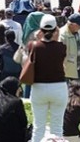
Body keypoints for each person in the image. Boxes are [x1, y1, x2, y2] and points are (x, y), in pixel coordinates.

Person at [29, 14, 68, 142]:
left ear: (41, 29)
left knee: (38, 127)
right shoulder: (61, 47)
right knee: (57, 127)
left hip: (39, 87)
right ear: (55, 29)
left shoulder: (34, 46)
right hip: (58, 87)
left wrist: (37, 38)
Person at [0, 77, 28, 142]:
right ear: (12, 88)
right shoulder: (17, 102)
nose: (20, 90)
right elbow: (24, 122)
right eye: (18, 87)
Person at [59, 13, 80, 81]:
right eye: (79, 26)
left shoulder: (77, 31)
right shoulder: (62, 35)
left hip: (77, 69)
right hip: (67, 72)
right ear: (71, 24)